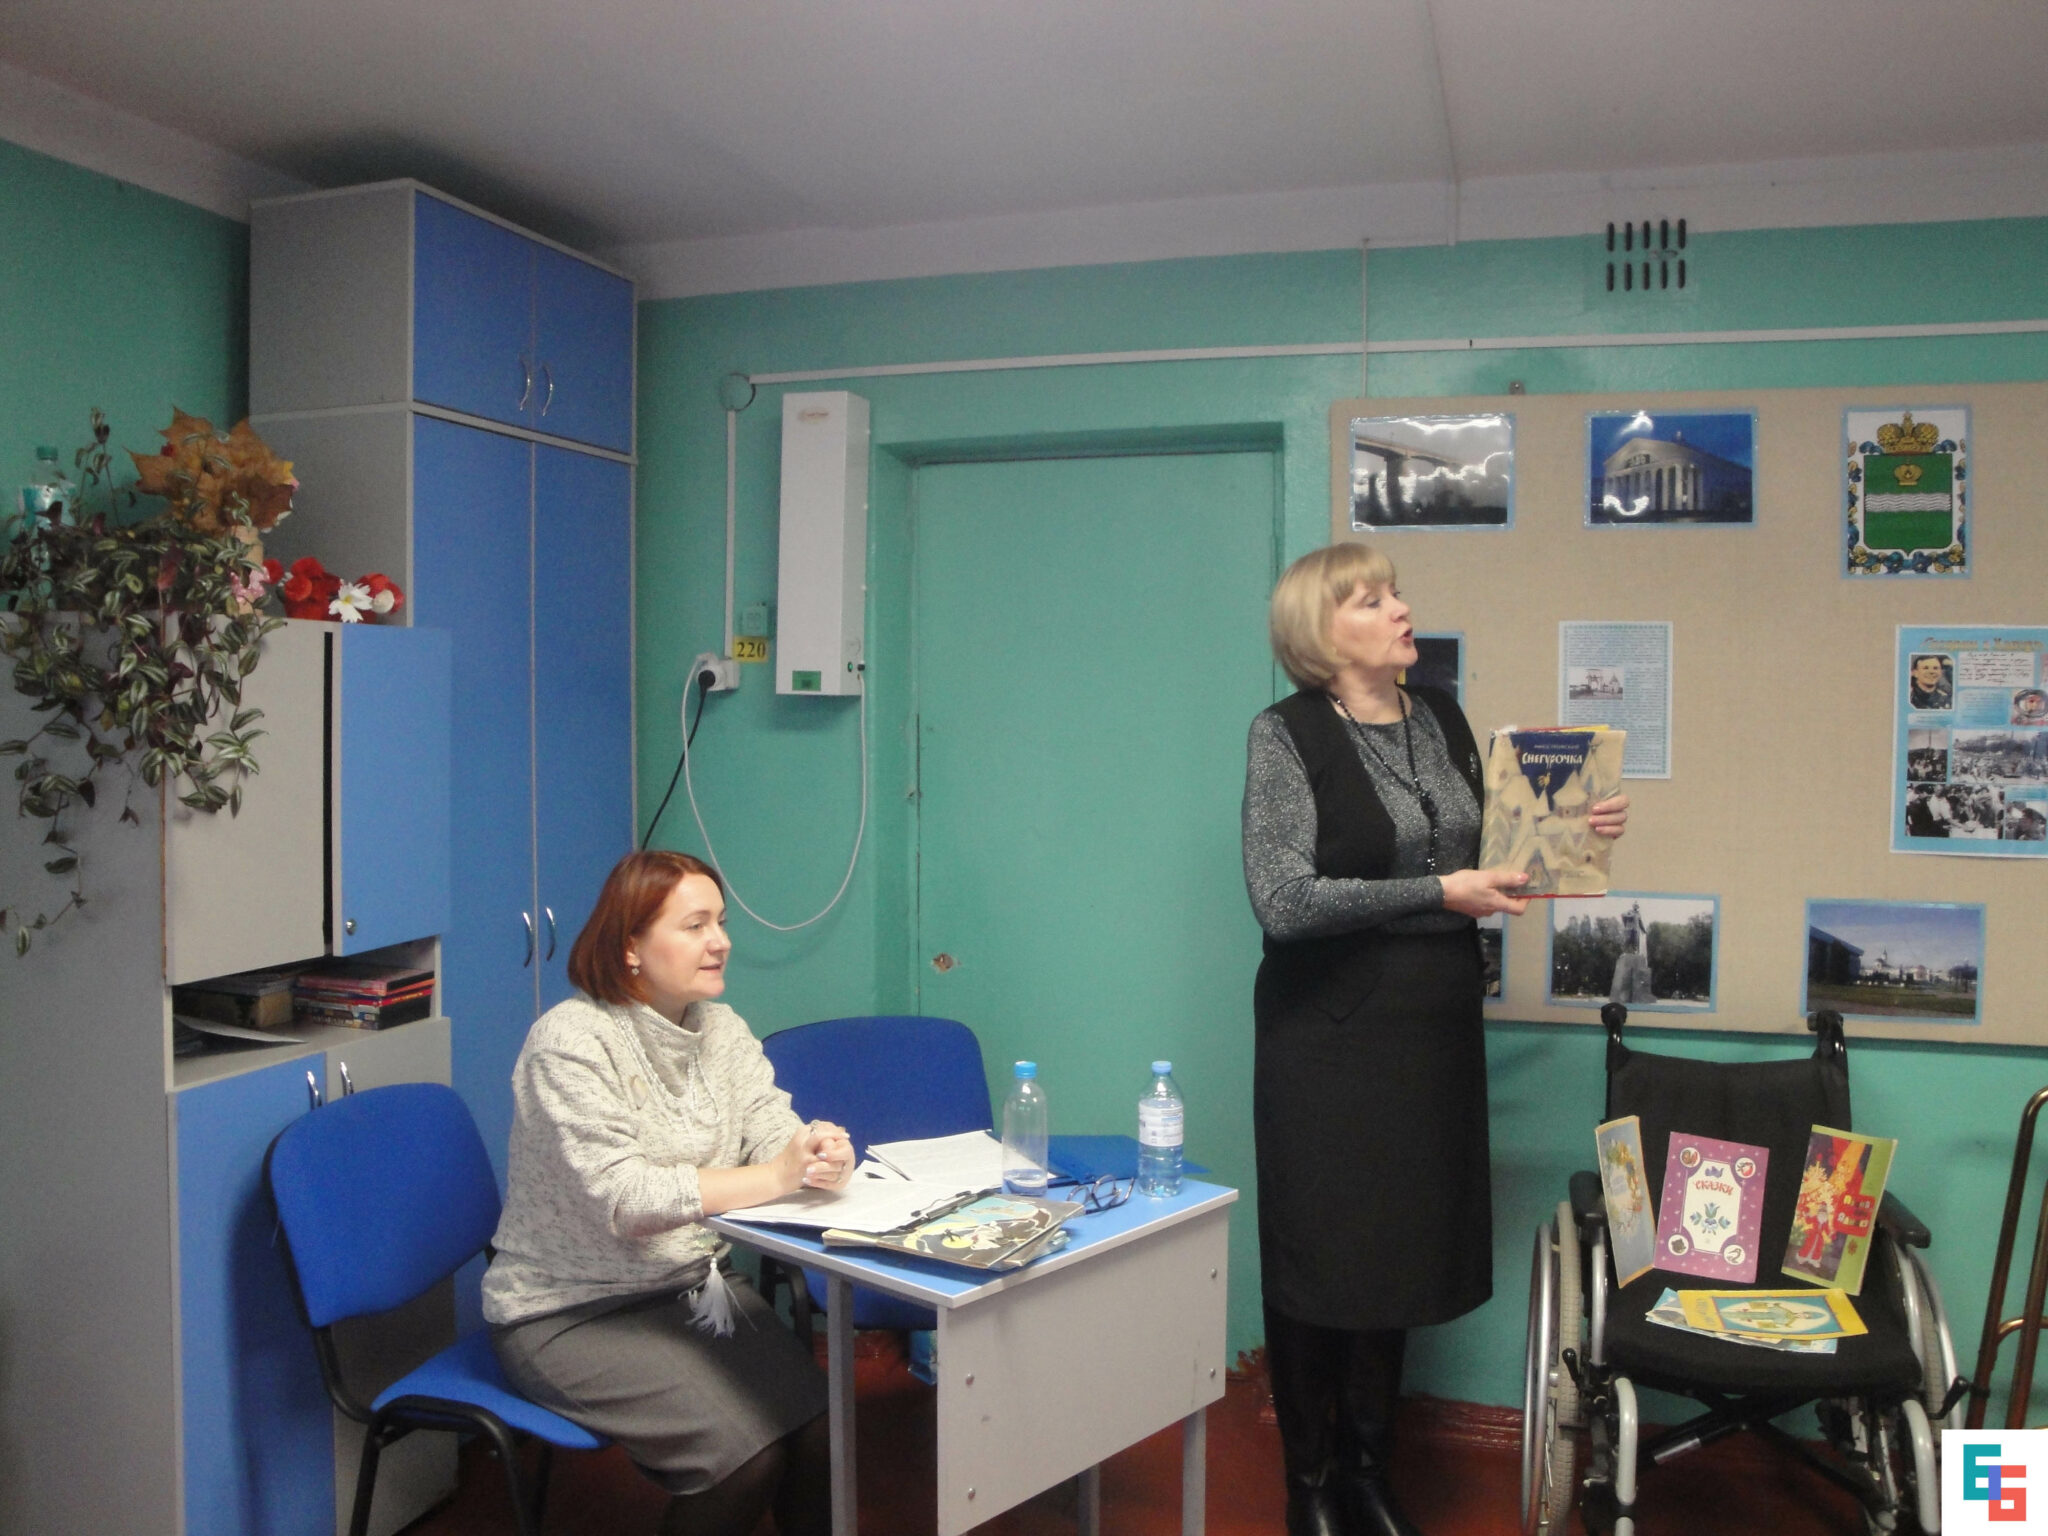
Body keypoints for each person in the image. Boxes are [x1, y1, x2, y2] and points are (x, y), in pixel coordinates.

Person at [1243, 544, 1626, 1536]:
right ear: (1321, 634)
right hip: (1325, 1039)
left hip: (1428, 1031)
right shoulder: (1284, 735)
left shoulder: (1442, 719)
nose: (1401, 609)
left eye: (1395, 593)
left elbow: (1491, 861)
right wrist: (1437, 892)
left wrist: (1574, 829)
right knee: (1320, 1256)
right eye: (1372, 600)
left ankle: (1369, 1474)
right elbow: (1283, 900)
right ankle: (1308, 1485)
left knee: (1397, 1254)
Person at [484, 850, 856, 1536]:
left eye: (720, 922)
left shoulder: (720, 1027)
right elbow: (626, 1199)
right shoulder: (569, 1042)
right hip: (569, 1311)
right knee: (743, 1460)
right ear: (630, 945)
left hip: (689, 1286)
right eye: (695, 925)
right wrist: (776, 1176)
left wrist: (813, 1151)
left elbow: (768, 1125)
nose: (720, 941)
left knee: (821, 1432)